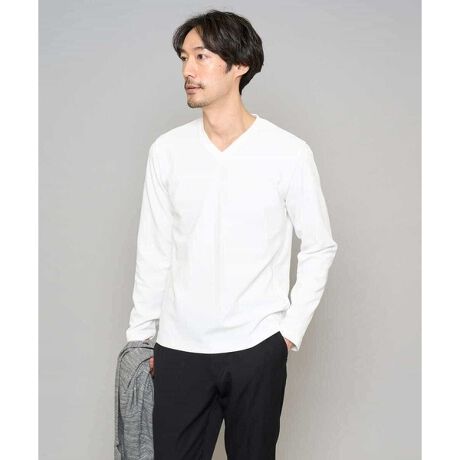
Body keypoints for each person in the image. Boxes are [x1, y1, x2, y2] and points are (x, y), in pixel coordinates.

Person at [125, 9, 338, 460]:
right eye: (184, 58)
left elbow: (319, 245)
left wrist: (288, 333)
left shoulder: (287, 152)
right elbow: (154, 250)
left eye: (201, 56)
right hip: (179, 349)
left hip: (257, 347)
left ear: (239, 64)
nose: (188, 70)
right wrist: (141, 339)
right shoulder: (167, 151)